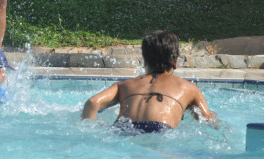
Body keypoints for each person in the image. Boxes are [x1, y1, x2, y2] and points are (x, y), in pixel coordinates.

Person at [81, 30, 217, 133]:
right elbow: (207, 119)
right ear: (175, 62)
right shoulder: (189, 88)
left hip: (122, 128)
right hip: (160, 130)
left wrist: (89, 130)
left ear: (145, 60)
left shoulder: (124, 85)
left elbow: (92, 102)